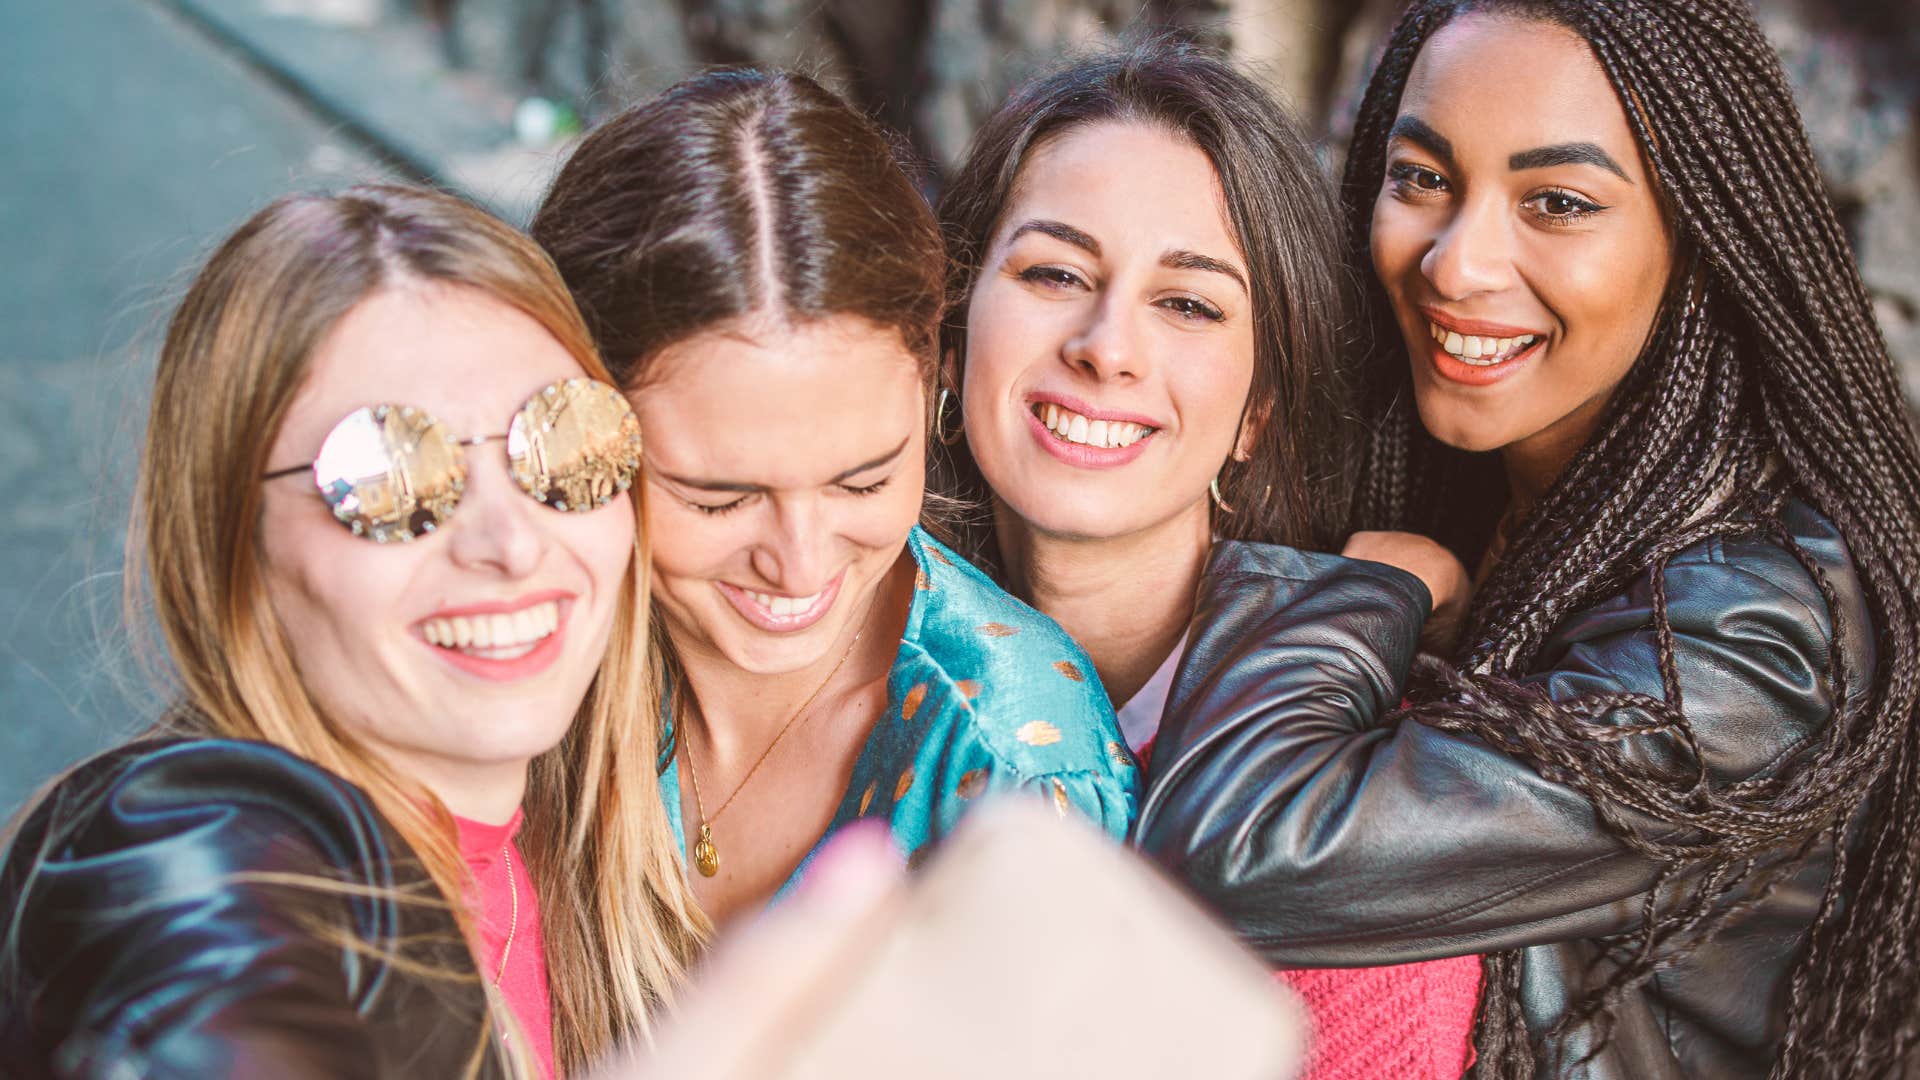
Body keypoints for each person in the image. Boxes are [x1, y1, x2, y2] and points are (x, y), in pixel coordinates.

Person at [1130, 1, 1920, 1076]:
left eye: (1556, 201)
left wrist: (1362, 590)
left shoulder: (1750, 637)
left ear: (1697, 238)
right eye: (1422, 179)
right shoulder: (1492, 491)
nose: (1458, 264)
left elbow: (1235, 855)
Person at [0, 185, 704, 1077]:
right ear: (230, 540)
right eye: (386, 478)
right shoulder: (197, 854)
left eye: (566, 447)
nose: (513, 543)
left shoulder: (591, 835)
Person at [931, 41, 1481, 1078]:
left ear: (1256, 413)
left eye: (1187, 303)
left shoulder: (1356, 795)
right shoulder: (836, 664)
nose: (1107, 344)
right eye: (1054, 272)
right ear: (954, 339)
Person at [531, 69, 1138, 929]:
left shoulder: (1016, 765)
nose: (801, 562)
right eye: (719, 500)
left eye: (865, 481)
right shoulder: (527, 638)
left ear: (933, 385)